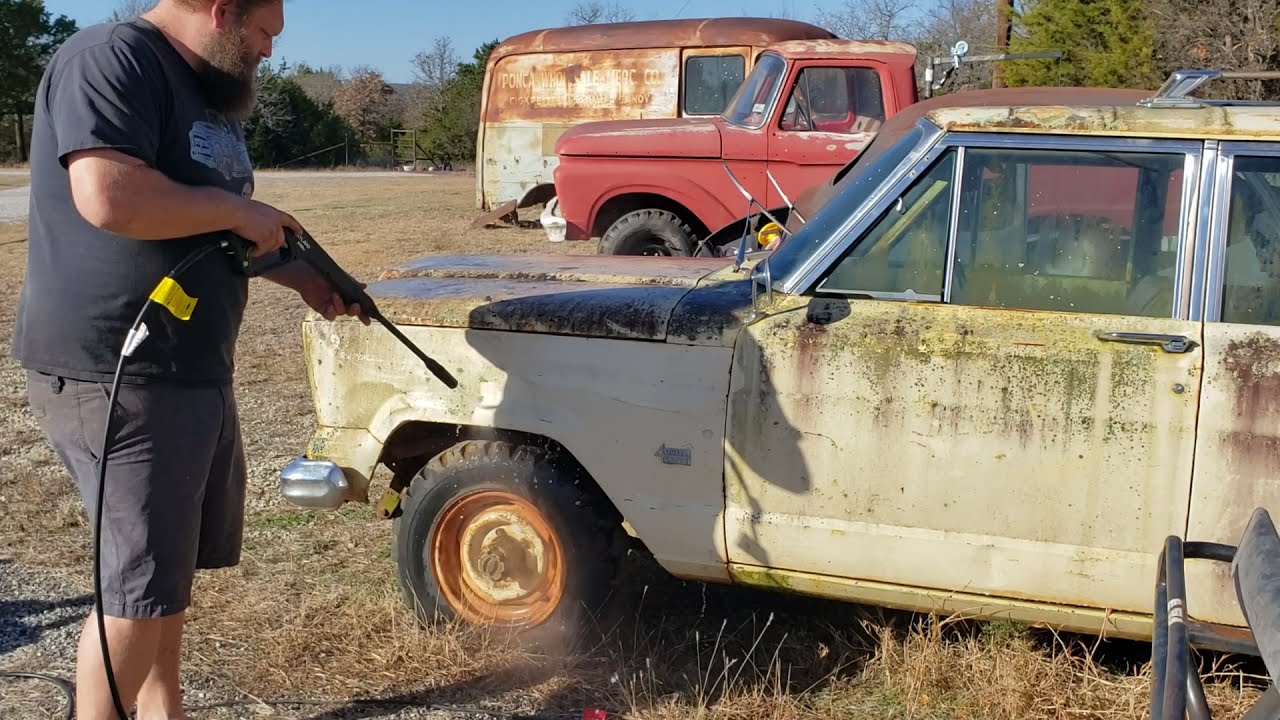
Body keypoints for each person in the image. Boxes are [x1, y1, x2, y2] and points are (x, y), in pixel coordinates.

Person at [10, 1, 367, 717]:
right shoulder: (111, 58)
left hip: (188, 366)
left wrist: (300, 275)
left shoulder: (208, 88)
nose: (268, 50)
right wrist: (242, 213)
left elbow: (202, 228)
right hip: (117, 368)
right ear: (222, 10)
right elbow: (110, 196)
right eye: (264, 32)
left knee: (164, 579)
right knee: (136, 587)